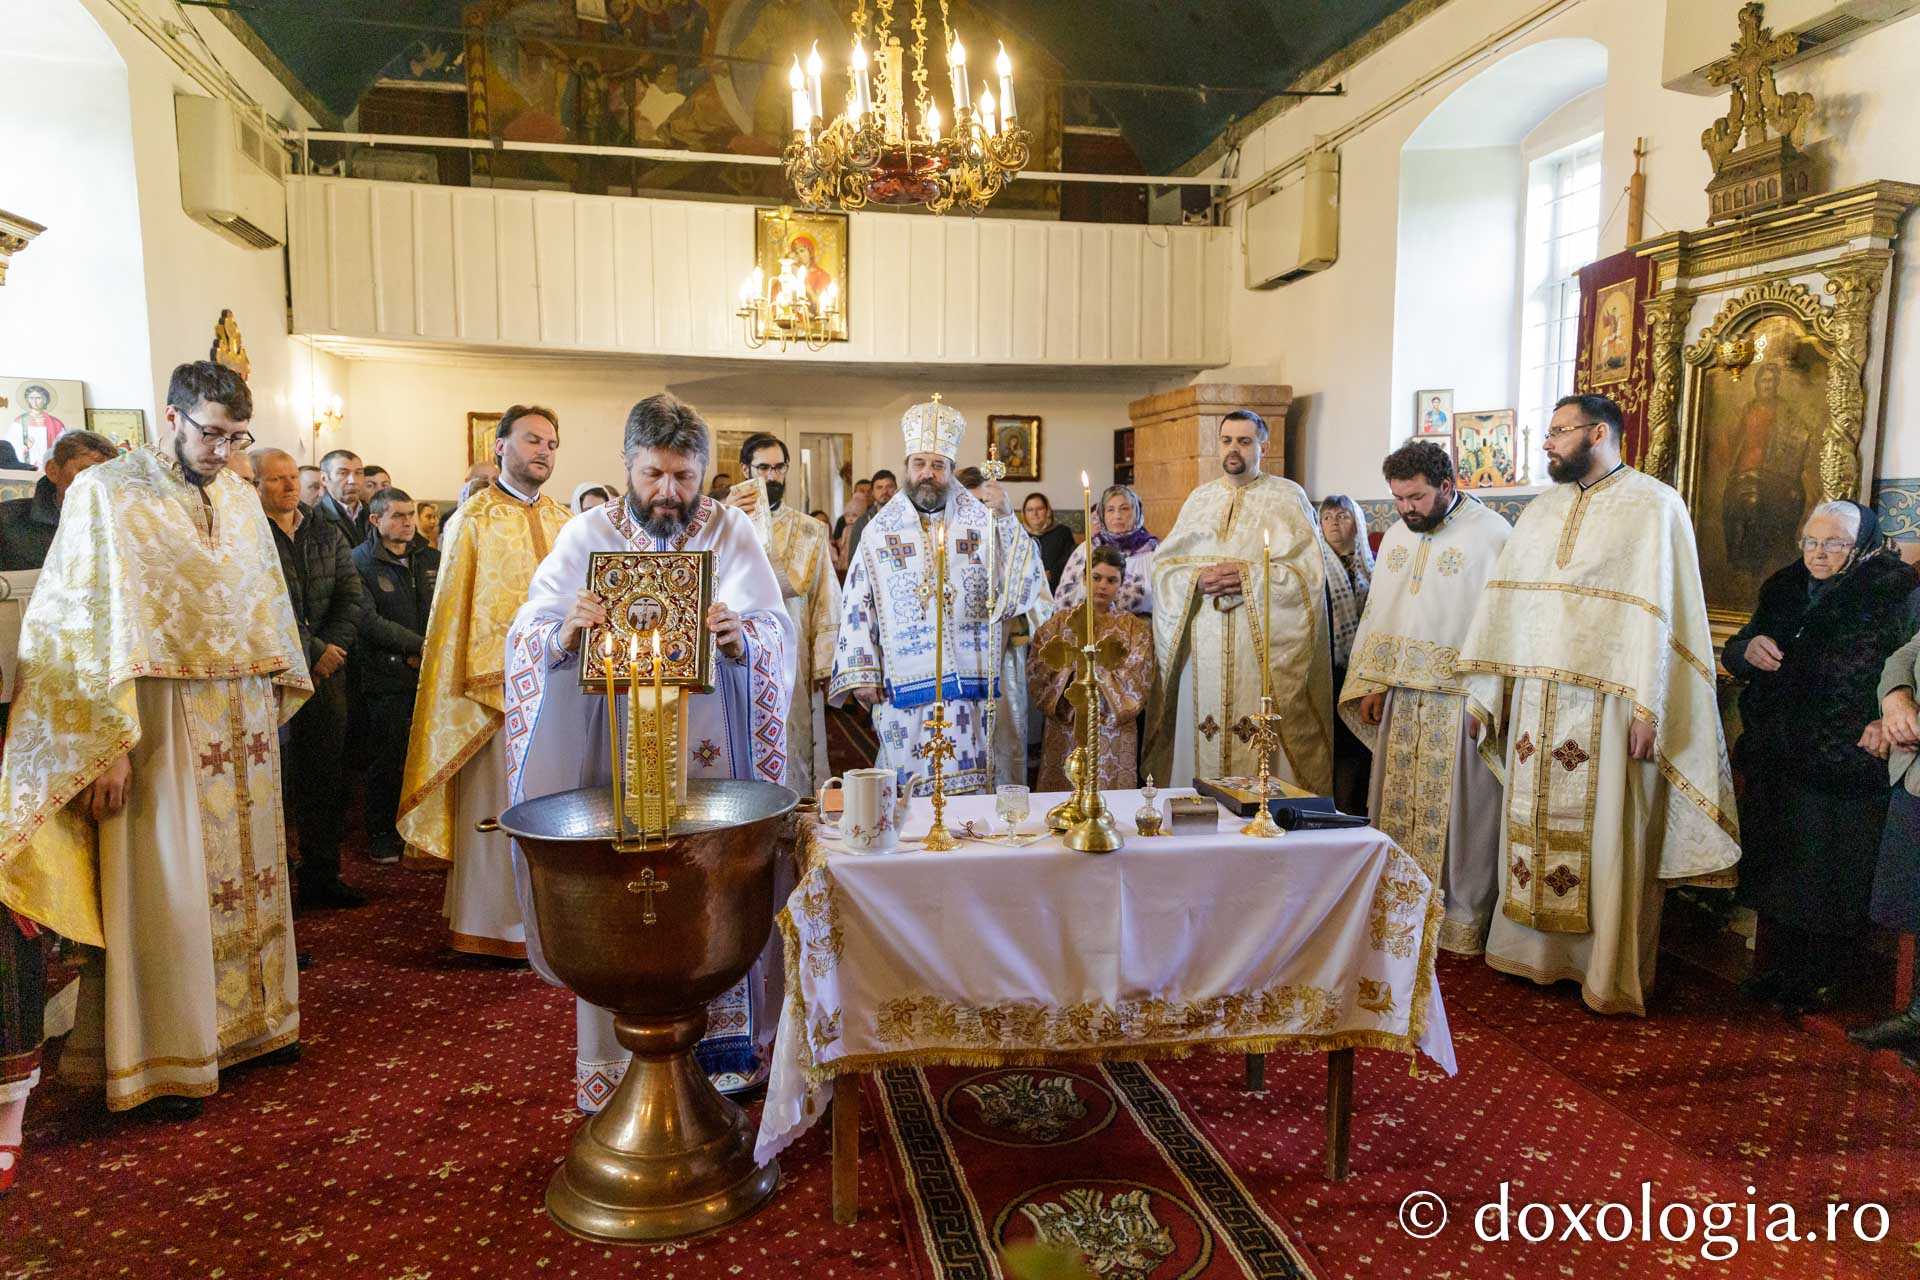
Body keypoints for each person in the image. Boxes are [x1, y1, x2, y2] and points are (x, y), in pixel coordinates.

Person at [0, 360, 309, 1120]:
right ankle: (171, 1049)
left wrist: (273, 688)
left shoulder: (238, 497)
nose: (222, 451)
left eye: (237, 436)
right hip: (156, 722)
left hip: (242, 720)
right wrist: (104, 745)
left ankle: (257, 1026)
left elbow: (265, 604)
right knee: (170, 885)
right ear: (171, 417)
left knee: (256, 878)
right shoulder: (107, 494)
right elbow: (71, 626)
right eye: (211, 433)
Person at [506, 393, 794, 1103]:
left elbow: (776, 630)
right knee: (622, 894)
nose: (668, 494)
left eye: (683, 478)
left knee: (709, 884)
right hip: (613, 751)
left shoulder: (730, 533)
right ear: (628, 466)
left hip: (710, 753)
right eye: (653, 475)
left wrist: (744, 641)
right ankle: (620, 1060)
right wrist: (563, 632)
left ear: (703, 471)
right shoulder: (586, 535)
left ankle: (723, 1056)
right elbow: (526, 634)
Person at [1457, 393, 1740, 1016]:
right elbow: (1507, 606)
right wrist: (1490, 691)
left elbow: (1665, 616)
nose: (1550, 443)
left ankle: (1602, 969)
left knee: (1610, 834)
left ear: (1601, 433)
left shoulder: (1654, 506)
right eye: (1550, 432)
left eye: (1560, 431)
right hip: (1536, 699)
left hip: (1609, 704)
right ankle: (1529, 954)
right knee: (1528, 831)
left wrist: (1650, 708)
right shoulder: (1539, 511)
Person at [1723, 500, 1916, 1015]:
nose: (1819, 553)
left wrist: (1883, 717)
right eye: (1811, 541)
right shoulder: (1783, 585)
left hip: (1845, 752)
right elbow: (1738, 646)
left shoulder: (1895, 589)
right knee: (1781, 861)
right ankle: (1780, 967)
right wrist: (1747, 649)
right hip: (1780, 749)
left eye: (1835, 543)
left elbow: (1906, 661)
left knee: (1830, 868)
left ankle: (1826, 976)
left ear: (1864, 545)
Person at [399, 405, 569, 960]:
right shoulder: (472, 519)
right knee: (496, 808)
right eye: (531, 440)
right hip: (493, 692)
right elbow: (450, 615)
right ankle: (491, 927)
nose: (542, 450)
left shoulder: (569, 523)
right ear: (500, 447)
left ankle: (557, 924)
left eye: (550, 442)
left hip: (561, 689)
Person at [1340, 440, 1510, 955]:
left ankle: (1460, 917)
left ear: (1446, 486)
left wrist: (1491, 699)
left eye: (1415, 497)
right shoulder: (1396, 534)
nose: (1406, 508)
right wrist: (1373, 680)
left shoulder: (1493, 537)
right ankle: (1399, 902)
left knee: (1463, 814)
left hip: (1459, 700)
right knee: (1395, 804)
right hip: (1401, 699)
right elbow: (1381, 613)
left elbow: (1501, 627)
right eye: (1397, 498)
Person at [830, 399, 1050, 797]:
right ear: (907, 466)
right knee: (908, 786)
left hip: (971, 687)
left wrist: (1006, 519)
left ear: (950, 470)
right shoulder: (881, 531)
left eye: (937, 464)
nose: (927, 473)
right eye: (919, 463)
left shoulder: (982, 521)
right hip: (904, 688)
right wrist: (863, 672)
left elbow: (1023, 587)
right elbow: (857, 603)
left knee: (972, 788)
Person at [1144, 410, 1340, 796]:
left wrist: (1251, 578)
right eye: (1227, 440)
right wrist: (1194, 579)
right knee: (1201, 735)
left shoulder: (1287, 496)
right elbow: (1165, 566)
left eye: (1245, 441)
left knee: (1260, 736)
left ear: (1262, 446)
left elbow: (1309, 576)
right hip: (1202, 647)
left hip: (1260, 645)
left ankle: (1264, 815)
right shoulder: (1200, 498)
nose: (1234, 449)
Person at [251, 447, 366, 910]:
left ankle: (323, 876)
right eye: (276, 480)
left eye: (292, 478)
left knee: (325, 778)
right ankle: (275, 889)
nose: (289, 486)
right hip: (276, 672)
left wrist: (332, 649)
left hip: (326, 674)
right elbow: (265, 603)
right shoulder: (249, 533)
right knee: (275, 785)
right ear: (256, 486)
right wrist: (313, 651)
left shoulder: (325, 528)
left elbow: (350, 593)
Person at [725, 432, 840, 795]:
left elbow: (825, 595)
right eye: (763, 468)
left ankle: (794, 818)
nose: (772, 476)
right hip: (734, 650)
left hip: (793, 656)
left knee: (793, 737)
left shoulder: (810, 529)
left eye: (779, 468)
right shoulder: (724, 524)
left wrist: (824, 661)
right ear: (745, 469)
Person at [353, 488, 440, 865]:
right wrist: (419, 646)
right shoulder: (359, 562)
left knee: (430, 754)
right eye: (398, 516)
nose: (408, 523)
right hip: (387, 674)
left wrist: (432, 651)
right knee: (388, 758)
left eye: (410, 515)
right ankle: (382, 833)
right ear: (376, 520)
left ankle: (426, 828)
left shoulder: (432, 558)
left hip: (432, 670)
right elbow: (367, 619)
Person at [958, 466, 1055, 787]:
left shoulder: (1011, 540)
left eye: (981, 504)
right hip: (956, 658)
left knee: (1006, 736)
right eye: (967, 504)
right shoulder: (946, 540)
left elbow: (1038, 594)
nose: (975, 514)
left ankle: (1007, 810)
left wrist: (1007, 517)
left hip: (1002, 658)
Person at [1851, 624, 1920, 1062]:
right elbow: (1904, 654)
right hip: (1914, 776)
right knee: (1915, 905)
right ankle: (1917, 1016)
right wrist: (1896, 699)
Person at [1029, 546, 1154, 789]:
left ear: (1121, 583)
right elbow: (1039, 667)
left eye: (1111, 580)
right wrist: (1077, 673)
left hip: (1112, 727)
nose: (1103, 586)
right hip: (1067, 720)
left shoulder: (1133, 628)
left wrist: (1090, 673)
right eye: (1096, 578)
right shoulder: (1058, 623)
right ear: (1085, 577)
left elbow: (1140, 675)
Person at [1320, 493, 1374, 812]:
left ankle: (1354, 810)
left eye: (1342, 516)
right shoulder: (1314, 566)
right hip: (1328, 669)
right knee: (1335, 747)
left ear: (1358, 523)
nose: (1334, 524)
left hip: (1364, 670)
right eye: (1327, 517)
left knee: (1359, 749)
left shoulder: (1373, 564)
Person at [0, 430, 117, 571]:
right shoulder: (6, 522)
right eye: (87, 472)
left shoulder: (125, 522)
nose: (99, 482)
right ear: (53, 470)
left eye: (109, 474)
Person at [1054, 485, 1158, 615]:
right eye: (1110, 510)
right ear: (1102, 515)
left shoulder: (1153, 553)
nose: (1117, 515)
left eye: (1124, 509)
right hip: (1087, 628)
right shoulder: (1086, 550)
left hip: (1138, 630)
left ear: (1136, 512)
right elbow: (1063, 601)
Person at [1021, 493, 1078, 590]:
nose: (1035, 513)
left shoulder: (1062, 532)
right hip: (1025, 589)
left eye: (1039, 509)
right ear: (1024, 513)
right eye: (1030, 510)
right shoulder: (1019, 535)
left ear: (1048, 511)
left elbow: (1071, 560)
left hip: (1056, 588)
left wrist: (1052, 574)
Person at [315, 449, 370, 547]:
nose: (352, 481)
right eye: (343, 473)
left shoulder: (374, 512)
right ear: (324, 479)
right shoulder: (315, 517)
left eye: (358, 473)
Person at [6, 385, 66, 470]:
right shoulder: (19, 422)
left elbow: (63, 447)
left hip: (49, 467)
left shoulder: (56, 423)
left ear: (45, 400)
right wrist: (25, 447)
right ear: (27, 400)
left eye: (38, 398)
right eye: (31, 398)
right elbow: (9, 447)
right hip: (25, 467)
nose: (34, 401)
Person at [846, 469, 898, 558]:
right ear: (872, 492)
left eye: (889, 486)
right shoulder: (862, 522)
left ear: (896, 489)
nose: (885, 491)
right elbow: (854, 558)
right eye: (879, 487)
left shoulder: (908, 517)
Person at [833, 478, 871, 542]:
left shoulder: (878, 515)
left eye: (869, 491)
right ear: (853, 494)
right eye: (862, 491)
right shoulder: (843, 520)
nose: (866, 494)